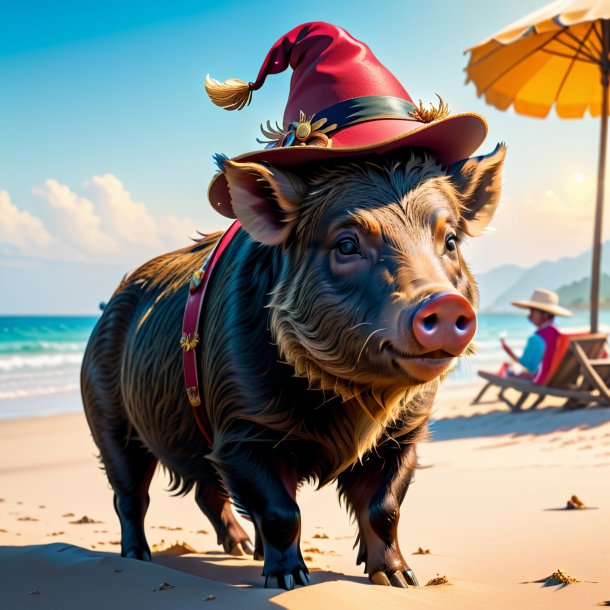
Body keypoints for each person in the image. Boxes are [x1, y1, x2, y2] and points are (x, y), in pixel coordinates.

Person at [500, 288, 572, 382]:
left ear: (545, 314)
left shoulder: (537, 338)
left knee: (507, 368)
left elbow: (528, 365)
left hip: (540, 380)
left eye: (532, 312)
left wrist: (507, 349)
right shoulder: (558, 335)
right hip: (558, 380)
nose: (529, 316)